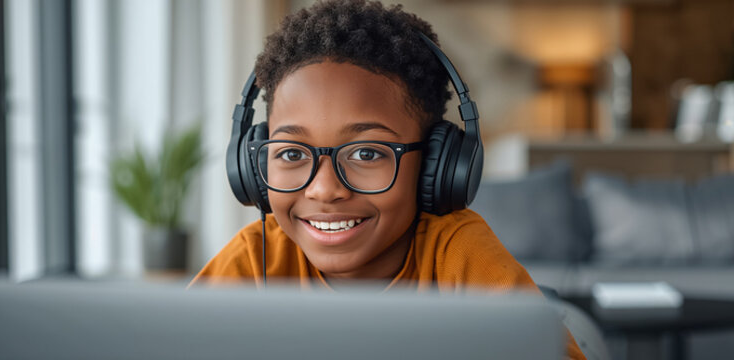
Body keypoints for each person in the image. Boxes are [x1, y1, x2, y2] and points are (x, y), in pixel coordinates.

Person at [190, 0, 586, 358]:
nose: (325, 189)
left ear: (434, 163)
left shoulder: (457, 252)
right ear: (253, 167)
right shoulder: (255, 261)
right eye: (291, 154)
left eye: (367, 153)